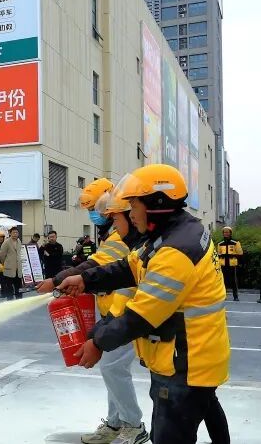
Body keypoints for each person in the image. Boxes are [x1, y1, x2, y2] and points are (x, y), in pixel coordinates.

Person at [58, 165, 231, 444]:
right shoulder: (173, 234)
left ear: (156, 204)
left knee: (168, 436)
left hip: (185, 364)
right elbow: (129, 267)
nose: (130, 213)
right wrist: (85, 280)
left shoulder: (175, 251)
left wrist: (97, 342)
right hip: (197, 356)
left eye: (134, 205)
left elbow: (141, 316)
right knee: (207, 406)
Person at [41, 190, 148, 444]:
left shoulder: (120, 238)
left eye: (97, 209)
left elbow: (96, 267)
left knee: (112, 368)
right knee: (113, 369)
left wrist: (58, 280)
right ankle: (116, 423)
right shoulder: (115, 235)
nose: (96, 214)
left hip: (126, 315)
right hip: (116, 314)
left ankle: (133, 425)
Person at [217, 226, 242, 301]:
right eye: (224, 232)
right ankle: (223, 296)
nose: (226, 233)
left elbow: (240, 253)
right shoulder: (220, 244)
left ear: (230, 233)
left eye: (227, 232)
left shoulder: (235, 243)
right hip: (223, 264)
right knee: (223, 281)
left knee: (234, 281)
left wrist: (234, 257)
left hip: (232, 264)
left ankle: (235, 296)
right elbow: (218, 254)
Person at [0, 227, 24, 299]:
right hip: (9, 269)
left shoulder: (19, 241)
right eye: (14, 232)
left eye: (17, 232)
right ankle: (10, 301)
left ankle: (19, 300)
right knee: (9, 288)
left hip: (18, 269)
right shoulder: (6, 242)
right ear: (10, 233)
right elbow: (2, 255)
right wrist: (6, 263)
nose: (15, 234)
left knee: (19, 287)